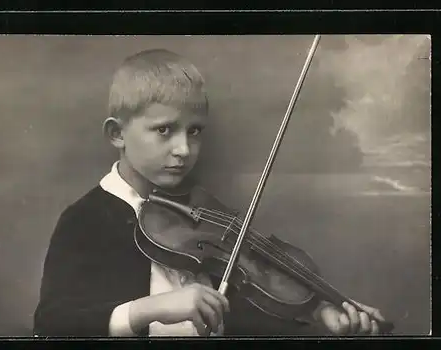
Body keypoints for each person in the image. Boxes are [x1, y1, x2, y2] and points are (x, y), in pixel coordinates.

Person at [33, 48, 386, 337]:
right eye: (164, 130)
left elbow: (245, 303)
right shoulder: (86, 220)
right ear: (117, 134)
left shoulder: (198, 212)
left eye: (195, 131)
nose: (184, 149)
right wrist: (147, 309)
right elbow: (51, 325)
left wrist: (319, 310)